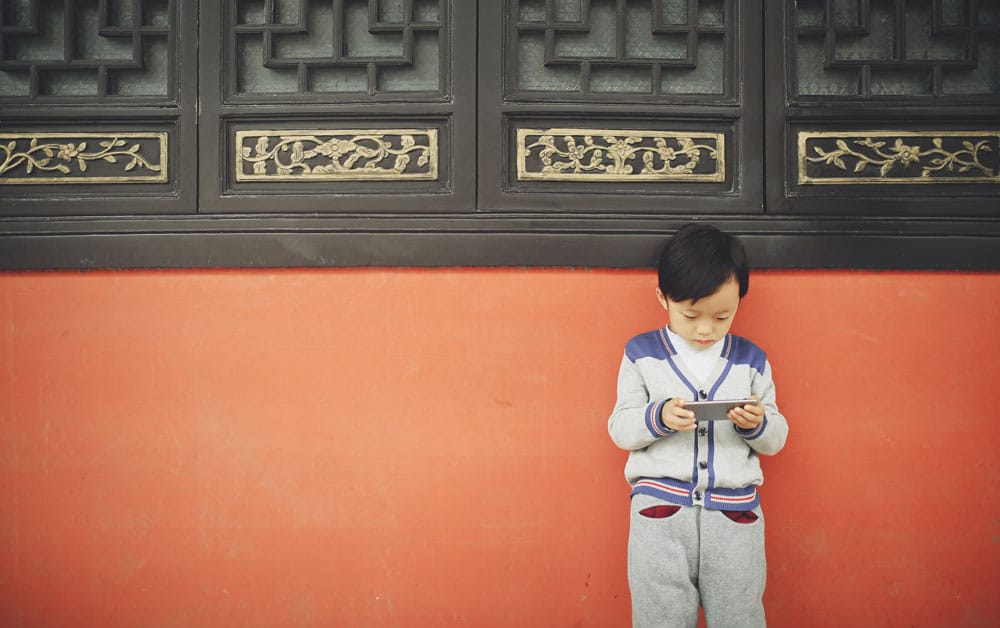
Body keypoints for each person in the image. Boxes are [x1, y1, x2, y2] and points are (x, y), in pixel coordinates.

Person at [608, 223, 789, 627]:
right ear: (663, 297)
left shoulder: (751, 361)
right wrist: (658, 417)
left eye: (722, 316)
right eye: (690, 315)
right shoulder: (640, 354)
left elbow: (776, 438)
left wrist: (757, 424)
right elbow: (620, 427)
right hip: (659, 515)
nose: (705, 329)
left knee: (740, 616)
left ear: (740, 301)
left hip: (735, 516)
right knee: (660, 617)